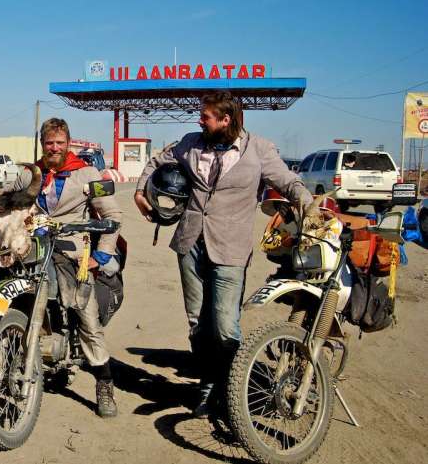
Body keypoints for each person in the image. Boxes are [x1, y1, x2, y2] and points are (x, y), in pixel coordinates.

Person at [134, 91, 312, 417]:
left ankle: (232, 390)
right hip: (190, 242)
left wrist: (309, 204)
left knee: (226, 325)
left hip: (231, 248)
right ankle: (207, 384)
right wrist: (139, 190)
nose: (199, 121)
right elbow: (156, 161)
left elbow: (287, 180)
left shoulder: (258, 148)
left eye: (206, 117)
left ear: (226, 120)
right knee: (197, 323)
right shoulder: (189, 142)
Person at [0, 118, 123, 418]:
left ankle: (104, 383)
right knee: (6, 293)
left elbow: (112, 213)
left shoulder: (87, 173)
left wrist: (102, 252)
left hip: (72, 250)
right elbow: (3, 201)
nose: (54, 148)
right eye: (49, 143)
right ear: (43, 145)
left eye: (59, 143)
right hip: (34, 247)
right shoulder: (29, 174)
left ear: (68, 143)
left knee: (86, 317)